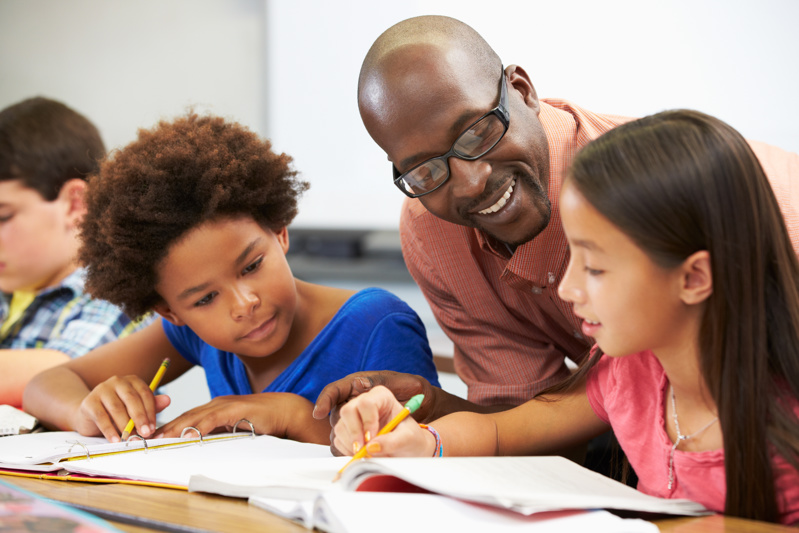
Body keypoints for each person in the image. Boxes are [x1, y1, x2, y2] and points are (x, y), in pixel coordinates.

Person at [313, 15, 799, 427]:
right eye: (425, 169)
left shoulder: (693, 194)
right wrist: (437, 409)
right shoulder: (432, 231)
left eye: (478, 131)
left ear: (522, 91)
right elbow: (529, 418)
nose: (469, 182)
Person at [331, 109, 799, 525]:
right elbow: (501, 430)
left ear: (694, 277)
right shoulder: (632, 373)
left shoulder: (785, 410)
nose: (568, 288)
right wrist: (423, 442)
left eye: (595, 267)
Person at [22, 112, 440, 445]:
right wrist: (87, 409)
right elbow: (46, 384)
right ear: (170, 310)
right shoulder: (190, 334)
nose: (243, 304)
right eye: (204, 299)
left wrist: (290, 416)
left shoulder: (376, 324)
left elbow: (418, 451)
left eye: (252, 266)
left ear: (279, 231)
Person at [0, 97, 147, 408]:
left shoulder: (120, 289)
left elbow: (66, 374)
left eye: (3, 217)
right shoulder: (11, 285)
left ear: (75, 204)